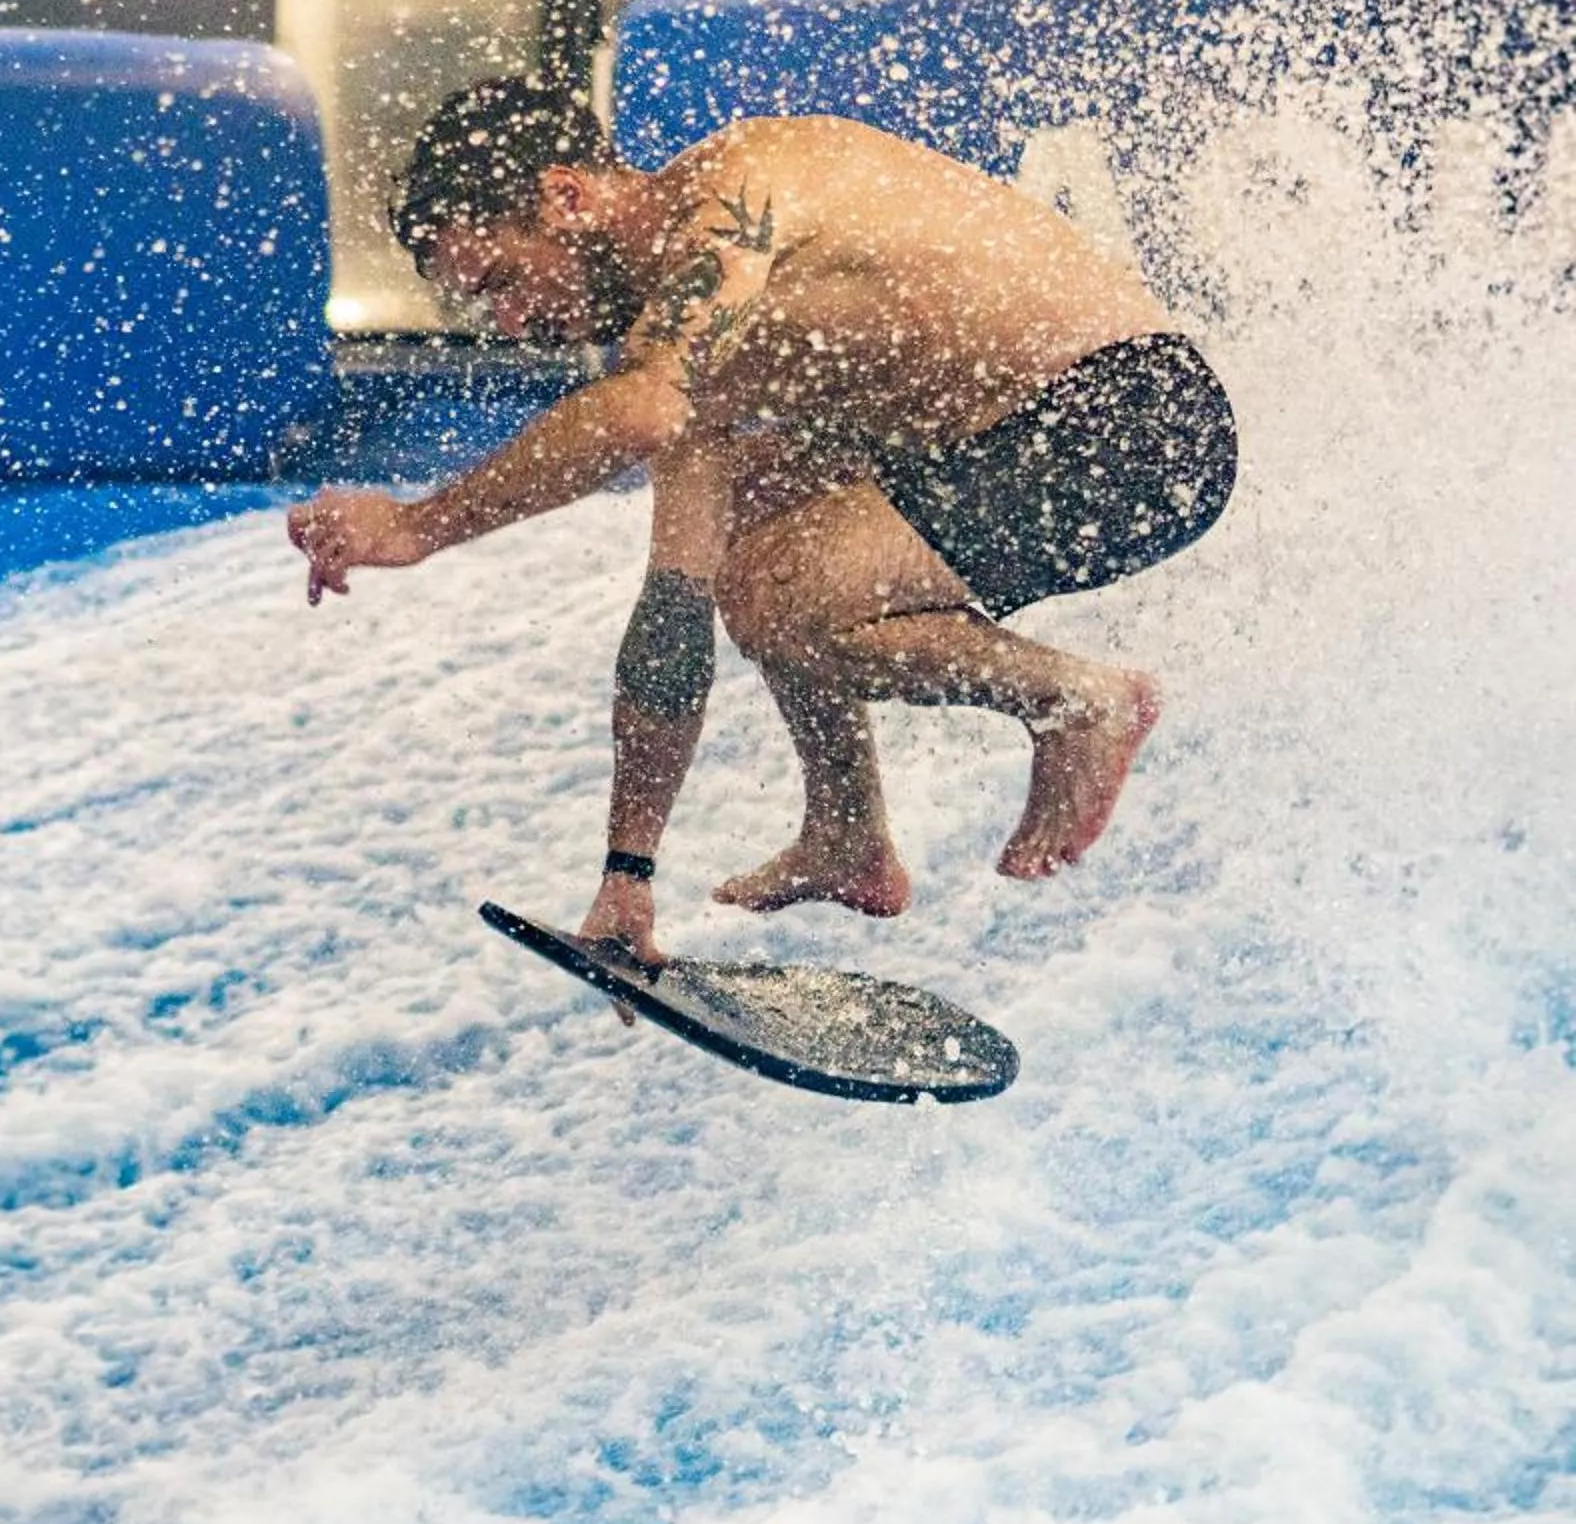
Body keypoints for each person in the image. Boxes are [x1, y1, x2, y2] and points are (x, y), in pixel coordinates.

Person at [288, 75, 1236, 963]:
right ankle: (847, 834)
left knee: (784, 590)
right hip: (1003, 437)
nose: (507, 321)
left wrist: (417, 526)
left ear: (567, 197)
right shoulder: (687, 358)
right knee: (745, 530)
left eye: (502, 279)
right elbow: (671, 615)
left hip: (1133, 424)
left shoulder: (732, 196)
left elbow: (639, 412)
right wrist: (628, 875)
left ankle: (1079, 700)